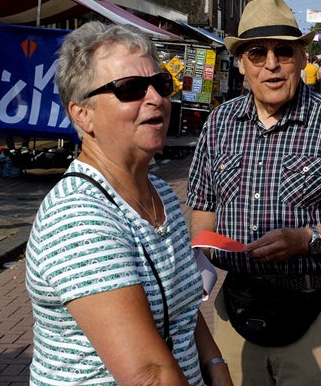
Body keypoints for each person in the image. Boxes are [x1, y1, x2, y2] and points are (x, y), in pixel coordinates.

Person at [25, 22, 232, 386]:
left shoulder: (159, 192)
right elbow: (147, 374)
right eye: (131, 89)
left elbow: (181, 303)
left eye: (161, 84)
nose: (155, 99)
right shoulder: (79, 218)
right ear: (82, 114)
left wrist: (215, 363)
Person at [188, 0, 321, 386]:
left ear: (302, 56)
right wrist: (204, 249)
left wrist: (308, 240)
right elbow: (203, 205)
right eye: (257, 52)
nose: (271, 64)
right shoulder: (220, 123)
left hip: (320, 307)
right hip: (237, 306)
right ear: (241, 63)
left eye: (283, 51)